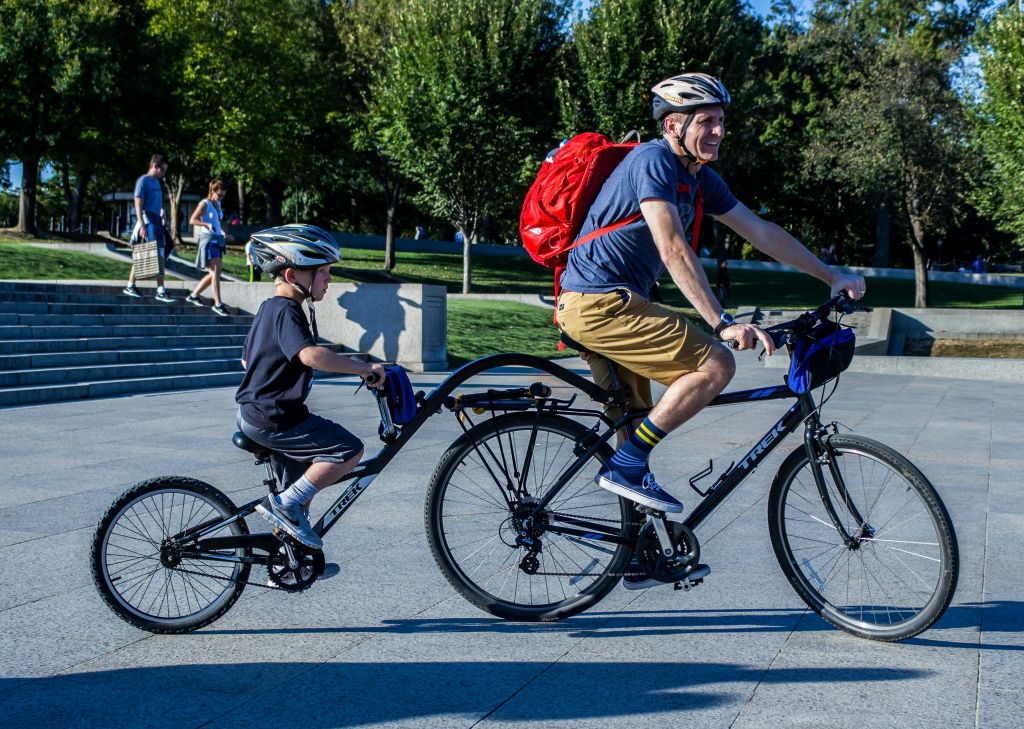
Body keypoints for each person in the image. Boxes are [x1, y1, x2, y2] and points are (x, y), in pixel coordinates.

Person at [555, 72, 866, 569]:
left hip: (616, 303)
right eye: (707, 121)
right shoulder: (654, 161)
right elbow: (672, 246)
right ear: (674, 124)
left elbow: (760, 231)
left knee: (634, 423)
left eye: (721, 121)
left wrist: (829, 274)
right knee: (715, 365)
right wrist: (722, 323)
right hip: (598, 304)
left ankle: (632, 555)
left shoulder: (698, 177)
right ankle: (628, 464)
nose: (718, 131)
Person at [236, 224, 386, 549]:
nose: (329, 279)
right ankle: (287, 506)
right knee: (348, 450)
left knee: (299, 490)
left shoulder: (268, 309)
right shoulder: (287, 310)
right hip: (276, 418)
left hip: (257, 414)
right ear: (293, 276)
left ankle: (287, 564)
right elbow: (309, 355)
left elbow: (247, 361)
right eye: (324, 272)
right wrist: (363, 369)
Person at [124, 154, 173, 301]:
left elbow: (154, 203)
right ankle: (131, 285)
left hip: (156, 221)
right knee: (144, 254)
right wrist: (142, 225)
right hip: (147, 221)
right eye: (163, 170)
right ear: (155, 166)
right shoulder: (143, 181)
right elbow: (138, 204)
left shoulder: (157, 183)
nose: (164, 174)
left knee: (161, 255)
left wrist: (161, 211)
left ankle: (160, 290)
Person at [186, 179, 234, 315]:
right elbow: (192, 219)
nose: (221, 197)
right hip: (209, 241)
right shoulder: (204, 204)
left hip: (218, 240)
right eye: (219, 195)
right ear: (212, 191)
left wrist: (224, 234)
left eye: (223, 195)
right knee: (216, 274)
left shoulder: (217, 203)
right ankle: (218, 304)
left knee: (214, 274)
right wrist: (206, 225)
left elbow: (217, 224)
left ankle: (194, 295)